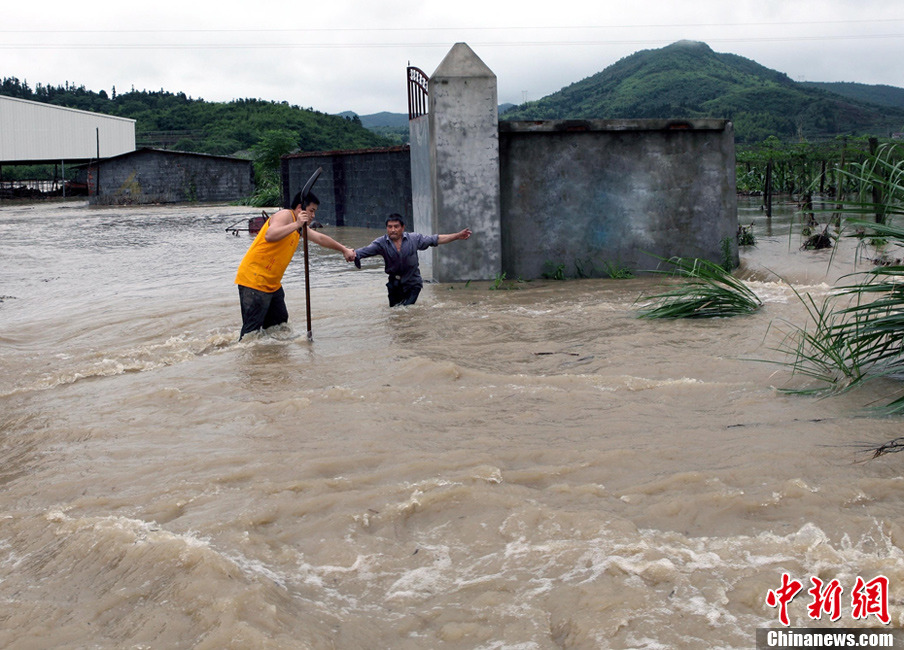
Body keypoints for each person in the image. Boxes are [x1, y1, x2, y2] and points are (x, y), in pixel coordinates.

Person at [235, 191, 355, 339]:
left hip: (272, 284)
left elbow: (320, 238)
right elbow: (270, 235)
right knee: (251, 334)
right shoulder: (285, 215)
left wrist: (343, 249)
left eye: (314, 212)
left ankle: (272, 360)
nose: (313, 216)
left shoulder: (299, 227)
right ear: (300, 208)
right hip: (254, 281)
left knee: (279, 327)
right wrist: (297, 223)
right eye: (311, 211)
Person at [351, 213, 472, 306]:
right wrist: (351, 254)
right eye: (390, 227)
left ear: (402, 228)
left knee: (406, 310)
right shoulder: (381, 243)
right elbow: (365, 251)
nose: (393, 230)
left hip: (413, 283)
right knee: (395, 314)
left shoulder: (414, 239)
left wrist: (457, 236)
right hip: (394, 284)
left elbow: (435, 239)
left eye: (396, 227)